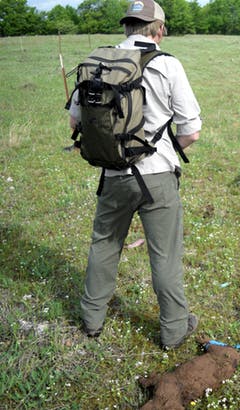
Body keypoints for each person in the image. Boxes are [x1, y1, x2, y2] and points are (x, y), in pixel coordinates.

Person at [68, 0, 201, 349]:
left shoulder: (98, 63)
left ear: (127, 28)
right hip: (157, 175)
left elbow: (75, 121)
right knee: (165, 255)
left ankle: (91, 321)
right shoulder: (168, 64)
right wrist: (164, 145)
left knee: (104, 245)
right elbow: (192, 130)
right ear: (159, 30)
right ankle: (173, 331)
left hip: (112, 173)